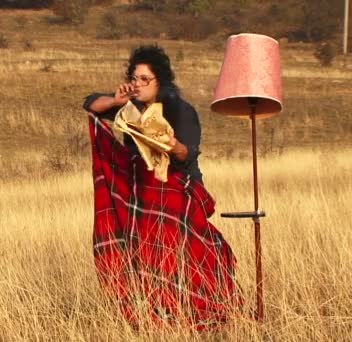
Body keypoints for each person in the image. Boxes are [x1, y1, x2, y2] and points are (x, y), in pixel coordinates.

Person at [83, 44, 241, 329]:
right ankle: (158, 314)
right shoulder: (129, 109)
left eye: (145, 79)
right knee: (144, 253)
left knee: (187, 254)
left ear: (160, 81)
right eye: (135, 77)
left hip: (178, 190)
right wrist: (115, 100)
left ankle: (202, 312)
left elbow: (188, 154)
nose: (138, 84)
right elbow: (90, 105)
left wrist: (172, 145)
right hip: (143, 192)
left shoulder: (181, 111)